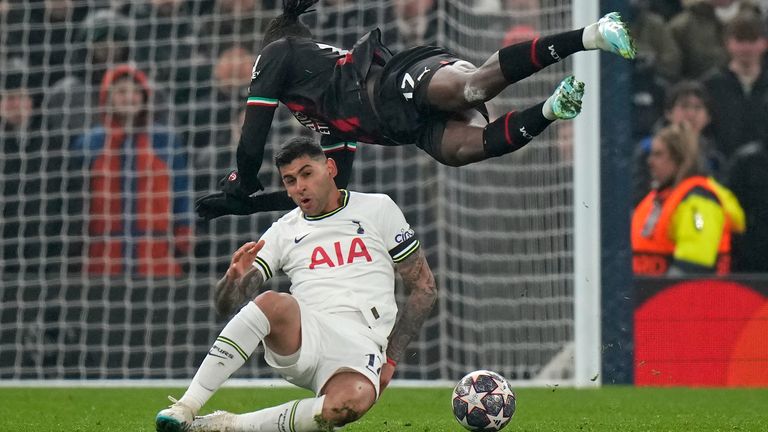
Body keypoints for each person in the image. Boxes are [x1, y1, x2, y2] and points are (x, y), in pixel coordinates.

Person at [194, 0, 636, 220]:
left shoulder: (280, 51)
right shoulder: (322, 116)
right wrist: (249, 206)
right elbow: (333, 189)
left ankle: (592, 34)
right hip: (406, 128)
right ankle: (554, 108)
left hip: (395, 81)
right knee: (470, 149)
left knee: (472, 91)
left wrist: (241, 182)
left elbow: (251, 142)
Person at [155, 137, 437, 432]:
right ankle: (185, 406)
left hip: (362, 343)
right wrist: (232, 279)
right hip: (306, 334)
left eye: (306, 173)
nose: (299, 186)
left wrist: (390, 359)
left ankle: (225, 425)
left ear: (329, 168)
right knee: (272, 302)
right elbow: (226, 305)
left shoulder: (378, 209)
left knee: (349, 404)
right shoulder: (283, 231)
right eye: (289, 180)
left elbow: (424, 288)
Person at [71, 64, 192, 277]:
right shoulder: (91, 142)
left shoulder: (165, 141)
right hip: (104, 255)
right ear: (107, 98)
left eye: (135, 92)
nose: (129, 98)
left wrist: (185, 229)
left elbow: (182, 191)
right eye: (121, 92)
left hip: (155, 254)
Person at [631, 123, 744, 276]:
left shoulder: (699, 201)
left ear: (679, 159)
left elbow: (693, 265)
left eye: (658, 155)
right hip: (647, 294)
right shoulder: (657, 198)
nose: (650, 161)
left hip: (689, 297)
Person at [703, 12, 768, 159]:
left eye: (753, 40)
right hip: (722, 168)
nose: (746, 47)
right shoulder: (710, 85)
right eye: (740, 40)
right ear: (727, 43)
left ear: (764, 43)